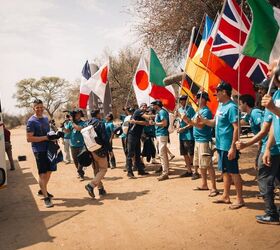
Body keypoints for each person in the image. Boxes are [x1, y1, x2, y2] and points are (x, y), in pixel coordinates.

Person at [199, 82, 244, 209]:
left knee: (234, 172)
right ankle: (226, 196)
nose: (215, 95)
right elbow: (215, 123)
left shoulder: (231, 107)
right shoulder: (220, 106)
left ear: (224, 92)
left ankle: (240, 199)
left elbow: (236, 128)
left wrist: (233, 147)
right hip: (220, 145)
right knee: (224, 171)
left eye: (217, 92)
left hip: (228, 146)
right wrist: (204, 121)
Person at [183, 91, 218, 196]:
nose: (196, 99)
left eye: (198, 97)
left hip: (204, 140)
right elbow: (193, 123)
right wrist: (186, 120)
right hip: (197, 140)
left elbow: (200, 125)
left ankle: (214, 188)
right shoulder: (199, 110)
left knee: (208, 165)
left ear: (203, 99)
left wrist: (187, 120)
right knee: (200, 164)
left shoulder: (206, 111)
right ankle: (204, 184)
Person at [26, 99, 60, 208]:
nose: (40, 109)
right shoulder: (31, 121)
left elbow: (48, 133)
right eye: (37, 107)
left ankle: (42, 189)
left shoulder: (46, 118)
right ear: (33, 108)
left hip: (49, 148)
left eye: (41, 107)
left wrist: (55, 136)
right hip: (39, 150)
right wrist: (46, 137)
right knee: (42, 173)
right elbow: (29, 138)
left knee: (50, 171)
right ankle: (46, 197)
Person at [257, 64, 280, 224]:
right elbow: (273, 125)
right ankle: (272, 213)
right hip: (276, 147)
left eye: (271, 70)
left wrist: (273, 108)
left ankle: (271, 213)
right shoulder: (277, 93)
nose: (267, 72)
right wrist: (267, 147)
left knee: (265, 178)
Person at [85, 109, 113, 198]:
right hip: (100, 149)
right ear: (97, 115)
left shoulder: (87, 123)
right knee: (103, 169)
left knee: (96, 169)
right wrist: (110, 149)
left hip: (91, 149)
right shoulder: (100, 123)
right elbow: (105, 137)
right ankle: (91, 185)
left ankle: (100, 189)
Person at [239, 94, 263, 170]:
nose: (239, 106)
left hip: (266, 142)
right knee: (258, 165)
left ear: (245, 104)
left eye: (240, 104)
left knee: (261, 166)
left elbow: (264, 128)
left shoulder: (255, 113)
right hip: (262, 142)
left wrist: (260, 141)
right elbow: (240, 122)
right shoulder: (249, 115)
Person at [176, 95, 198, 179]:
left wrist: (184, 128)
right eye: (180, 99)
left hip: (189, 135)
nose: (181, 101)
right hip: (182, 136)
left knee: (191, 154)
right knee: (184, 153)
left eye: (183, 99)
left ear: (186, 100)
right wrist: (178, 127)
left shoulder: (190, 109)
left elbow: (193, 122)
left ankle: (195, 171)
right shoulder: (179, 110)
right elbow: (178, 121)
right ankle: (189, 171)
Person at [126, 103, 150, 178]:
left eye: (145, 107)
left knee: (137, 153)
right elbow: (147, 119)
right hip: (131, 135)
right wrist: (156, 115)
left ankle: (140, 170)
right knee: (130, 154)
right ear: (140, 107)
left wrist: (137, 122)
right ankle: (129, 172)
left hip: (137, 136)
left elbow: (147, 123)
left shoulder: (142, 115)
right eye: (143, 106)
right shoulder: (138, 111)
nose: (144, 108)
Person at [64, 109, 87, 180]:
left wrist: (72, 122)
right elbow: (67, 132)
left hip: (82, 144)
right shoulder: (70, 123)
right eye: (76, 114)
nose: (78, 116)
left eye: (79, 114)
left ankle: (80, 174)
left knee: (81, 159)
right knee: (75, 160)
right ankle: (80, 171)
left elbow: (79, 129)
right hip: (73, 144)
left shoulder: (83, 123)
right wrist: (64, 126)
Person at [150, 100, 170, 181]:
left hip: (162, 134)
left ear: (157, 105)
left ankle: (165, 173)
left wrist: (154, 124)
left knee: (162, 154)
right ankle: (165, 171)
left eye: (153, 105)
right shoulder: (160, 112)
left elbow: (164, 123)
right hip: (160, 134)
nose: (152, 107)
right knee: (162, 154)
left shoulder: (162, 112)